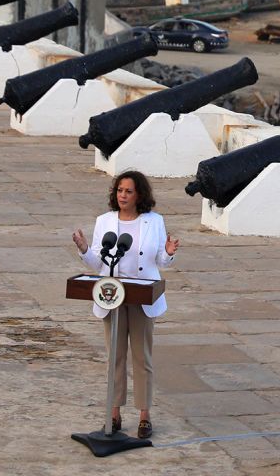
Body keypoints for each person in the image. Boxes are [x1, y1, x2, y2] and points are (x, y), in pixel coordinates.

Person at [70, 171, 179, 439]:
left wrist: (169, 252)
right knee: (115, 358)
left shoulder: (154, 221)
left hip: (142, 297)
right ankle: (114, 413)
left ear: (139, 194)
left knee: (142, 358)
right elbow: (98, 263)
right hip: (112, 296)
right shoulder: (104, 221)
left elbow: (161, 262)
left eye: (128, 191)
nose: (123, 196)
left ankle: (144, 416)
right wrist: (85, 249)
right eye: (120, 190)